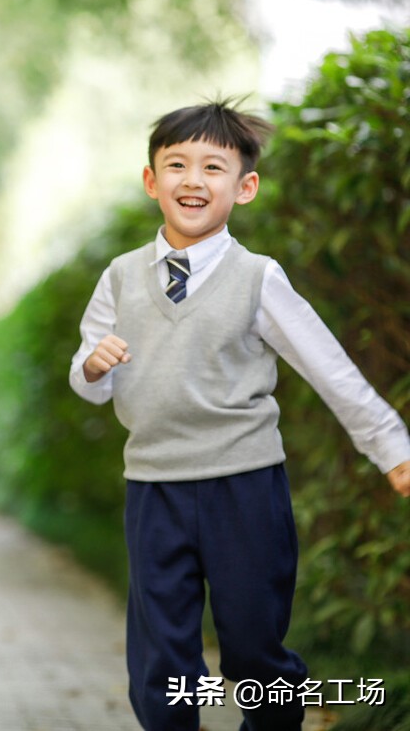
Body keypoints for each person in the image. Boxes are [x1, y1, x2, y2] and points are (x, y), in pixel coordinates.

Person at [69, 99, 410, 731]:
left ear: (245, 186)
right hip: (154, 488)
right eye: (176, 165)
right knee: (162, 659)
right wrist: (94, 366)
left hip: (244, 487)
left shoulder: (258, 277)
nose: (192, 180)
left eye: (213, 167)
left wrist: (391, 446)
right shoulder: (119, 278)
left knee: (255, 652)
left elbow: (327, 367)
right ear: (151, 181)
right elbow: (89, 381)